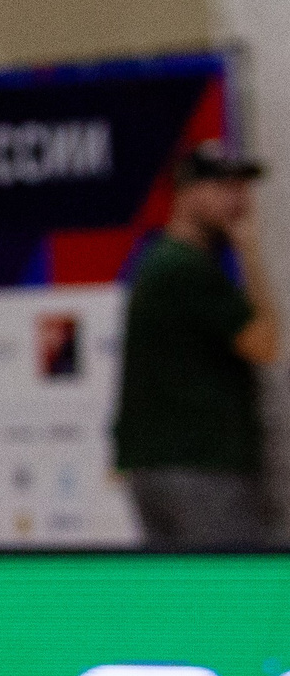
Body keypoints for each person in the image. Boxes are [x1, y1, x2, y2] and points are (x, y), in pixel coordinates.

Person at [114, 140, 281, 547]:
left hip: (160, 467)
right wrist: (250, 251)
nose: (238, 200)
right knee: (232, 601)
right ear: (187, 192)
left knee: (184, 602)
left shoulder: (161, 262)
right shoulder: (186, 269)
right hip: (202, 468)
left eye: (242, 187)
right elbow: (264, 343)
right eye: (225, 187)